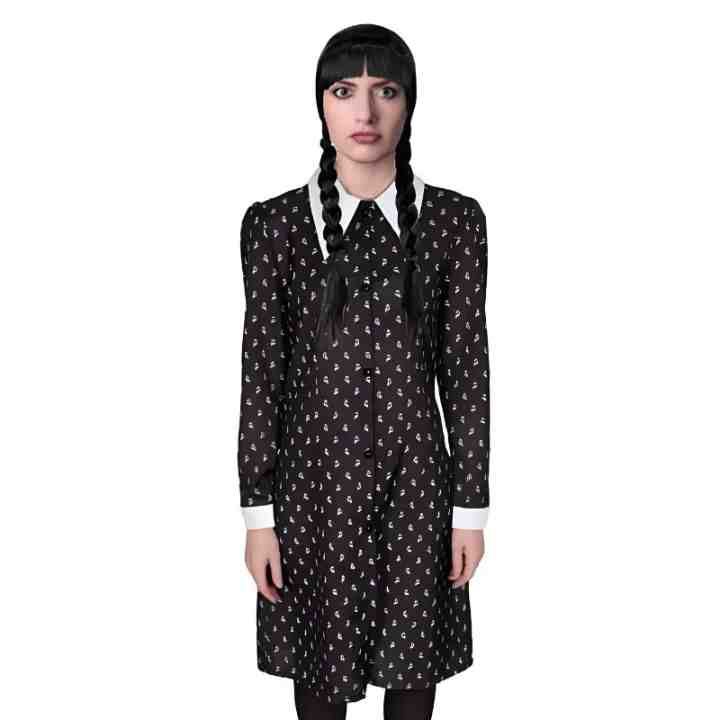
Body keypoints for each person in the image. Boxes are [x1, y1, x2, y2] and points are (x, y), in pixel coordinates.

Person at [237, 23, 490, 720]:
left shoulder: (454, 222)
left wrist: (469, 511)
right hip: (312, 493)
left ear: (410, 103)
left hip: (420, 490)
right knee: (321, 672)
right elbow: (261, 377)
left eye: (387, 91)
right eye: (344, 91)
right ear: (321, 104)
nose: (366, 112)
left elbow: (467, 373)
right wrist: (258, 517)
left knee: (413, 668)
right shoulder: (276, 226)